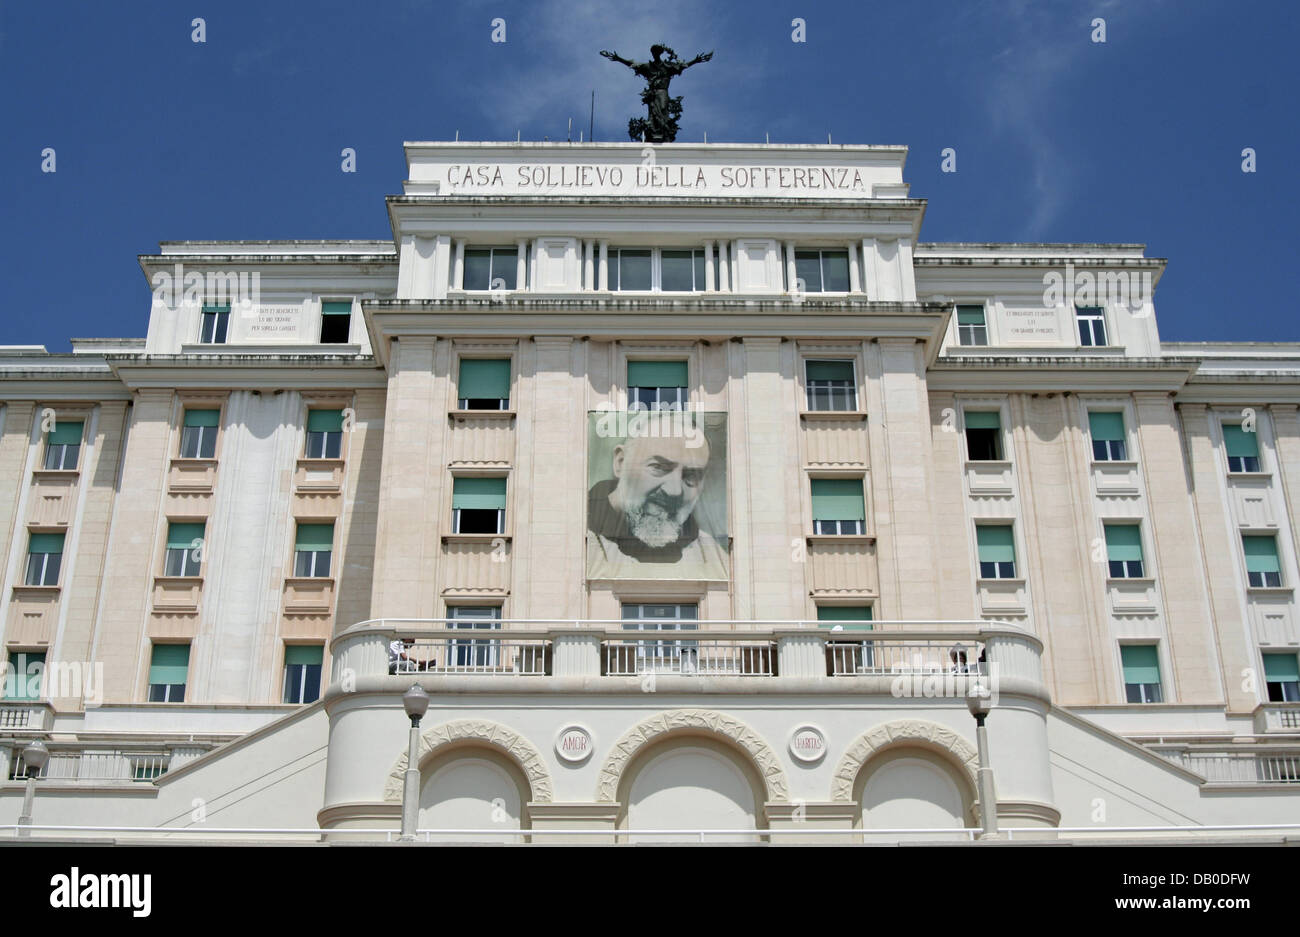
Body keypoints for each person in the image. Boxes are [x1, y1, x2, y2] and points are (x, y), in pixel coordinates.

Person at [586, 429, 727, 580]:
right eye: (658, 467)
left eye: (691, 475)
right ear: (620, 462)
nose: (675, 491)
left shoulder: (710, 555)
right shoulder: (577, 536)